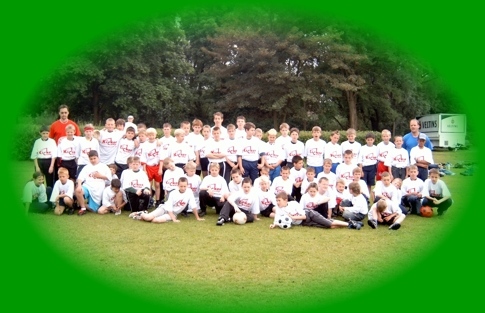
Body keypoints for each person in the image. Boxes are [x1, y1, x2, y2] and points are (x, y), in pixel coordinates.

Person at [269, 191, 362, 230]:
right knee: (328, 226)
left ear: (285, 200)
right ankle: (351, 225)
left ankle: (351, 224)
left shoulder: (294, 204)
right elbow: (277, 219)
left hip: (309, 214)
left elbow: (304, 216)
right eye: (276, 200)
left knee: (329, 223)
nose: (277, 202)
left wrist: (293, 217)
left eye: (279, 200)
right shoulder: (279, 209)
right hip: (304, 223)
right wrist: (274, 224)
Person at [133, 177, 204, 223]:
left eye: (184, 186)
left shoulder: (189, 192)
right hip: (164, 208)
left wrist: (197, 217)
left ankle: (142, 217)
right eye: (181, 186)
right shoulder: (173, 193)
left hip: (174, 213)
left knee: (155, 220)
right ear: (178, 185)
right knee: (148, 218)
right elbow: (169, 207)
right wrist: (174, 219)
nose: (183, 188)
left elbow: (193, 205)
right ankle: (141, 213)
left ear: (187, 185)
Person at [75, 150, 112, 215]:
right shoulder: (86, 167)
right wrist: (79, 185)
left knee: (93, 210)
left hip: (98, 190)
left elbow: (110, 178)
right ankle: (83, 208)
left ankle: (80, 204)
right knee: (78, 190)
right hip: (87, 186)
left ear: (98, 157)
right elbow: (80, 178)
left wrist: (100, 176)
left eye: (94, 158)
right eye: (91, 159)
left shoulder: (104, 166)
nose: (93, 160)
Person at [141, 128, 162, 207]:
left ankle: (157, 201)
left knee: (157, 185)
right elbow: (143, 157)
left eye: (153, 135)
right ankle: (149, 200)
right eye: (149, 135)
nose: (151, 137)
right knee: (148, 184)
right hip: (148, 167)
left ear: (155, 135)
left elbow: (161, 156)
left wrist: (160, 168)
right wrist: (144, 169)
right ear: (147, 135)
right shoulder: (145, 145)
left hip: (156, 166)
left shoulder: (158, 143)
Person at [358, 132, 378, 202]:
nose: (370, 141)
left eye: (371, 140)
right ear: (366, 140)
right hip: (364, 168)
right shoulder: (363, 148)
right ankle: (363, 198)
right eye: (368, 140)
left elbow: (377, 159)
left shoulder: (376, 148)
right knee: (364, 183)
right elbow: (360, 159)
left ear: (374, 140)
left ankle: (368, 198)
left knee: (369, 184)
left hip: (372, 167)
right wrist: (361, 170)